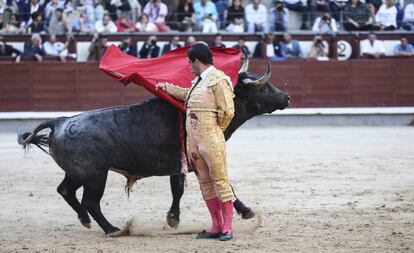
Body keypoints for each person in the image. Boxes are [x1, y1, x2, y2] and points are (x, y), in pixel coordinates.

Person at [156, 43, 236, 241]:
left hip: (210, 139)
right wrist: (166, 87)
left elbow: (228, 111)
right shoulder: (198, 83)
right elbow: (186, 96)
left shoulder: (218, 80)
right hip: (195, 142)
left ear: (197, 61)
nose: (189, 66)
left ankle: (227, 228)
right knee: (206, 183)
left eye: (190, 63)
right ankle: (216, 226)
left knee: (220, 180)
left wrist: (214, 130)